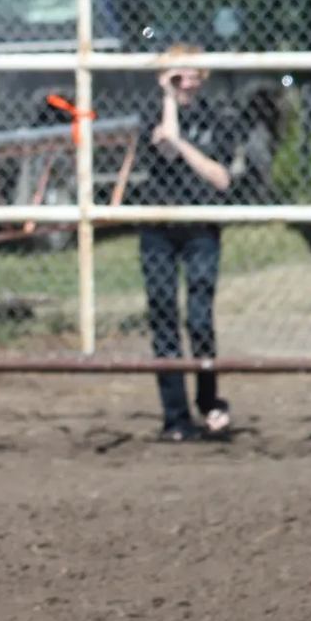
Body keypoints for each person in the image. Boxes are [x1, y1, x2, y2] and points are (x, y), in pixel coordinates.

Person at [135, 45, 235, 441]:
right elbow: (164, 148)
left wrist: (185, 147)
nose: (185, 80)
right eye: (176, 73)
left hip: (200, 227)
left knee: (199, 318)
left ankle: (210, 401)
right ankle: (175, 418)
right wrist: (166, 100)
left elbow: (220, 177)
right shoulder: (152, 114)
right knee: (163, 317)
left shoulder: (218, 117)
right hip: (158, 225)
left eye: (192, 72)